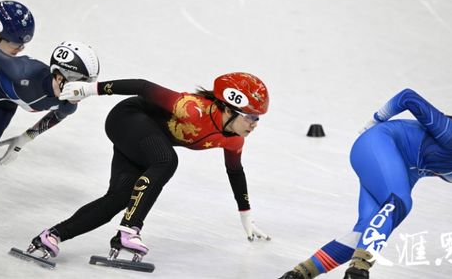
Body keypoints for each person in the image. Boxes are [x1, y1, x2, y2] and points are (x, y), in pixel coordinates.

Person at [26, 72, 271, 263]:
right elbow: (142, 86)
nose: (254, 124)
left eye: (258, 118)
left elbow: (235, 172)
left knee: (118, 198)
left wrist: (245, 215)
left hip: (145, 144)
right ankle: (129, 230)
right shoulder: (191, 108)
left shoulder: (234, 139)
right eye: (250, 117)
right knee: (167, 161)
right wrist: (90, 89)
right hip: (128, 118)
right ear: (229, 108)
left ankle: (52, 235)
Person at [279, 88, 452, 279]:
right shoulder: (451, 134)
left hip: (403, 169)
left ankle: (300, 274)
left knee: (365, 233)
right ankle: (359, 268)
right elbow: (408, 97)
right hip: (379, 143)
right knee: (400, 202)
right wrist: (374, 120)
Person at [0, 36, 100, 164]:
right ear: (60, 74)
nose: (82, 90)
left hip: (3, 105)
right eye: (79, 81)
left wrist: (23, 139)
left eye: (87, 83)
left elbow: (56, 117)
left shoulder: (67, 104)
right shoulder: (25, 73)